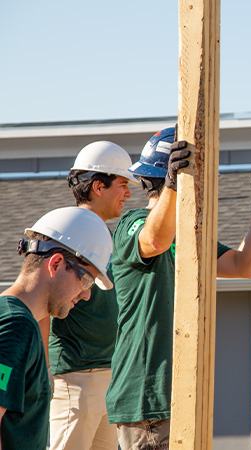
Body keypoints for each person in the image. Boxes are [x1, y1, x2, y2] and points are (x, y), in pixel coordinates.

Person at [105, 127, 251, 449]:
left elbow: (243, 266)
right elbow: (154, 240)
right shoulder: (131, 223)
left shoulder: (190, 236)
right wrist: (174, 185)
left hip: (183, 393)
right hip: (147, 396)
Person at [42, 141, 139, 450]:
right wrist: (45, 375)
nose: (128, 193)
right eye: (122, 184)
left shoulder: (104, 235)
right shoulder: (64, 231)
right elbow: (42, 302)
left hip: (110, 378)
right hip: (75, 380)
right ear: (99, 186)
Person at [0, 207, 113, 450]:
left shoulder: (17, 321)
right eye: (85, 280)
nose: (85, 294)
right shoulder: (15, 327)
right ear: (57, 263)